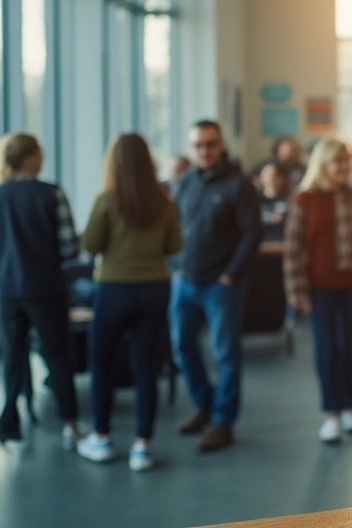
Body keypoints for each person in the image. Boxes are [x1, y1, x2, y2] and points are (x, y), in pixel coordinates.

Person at [76, 134, 183, 471]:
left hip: (114, 289)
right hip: (154, 288)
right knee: (146, 367)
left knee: (101, 362)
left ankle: (102, 437)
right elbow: (175, 246)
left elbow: (90, 244)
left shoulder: (106, 200)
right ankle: (142, 447)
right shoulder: (164, 202)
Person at [170, 120, 262, 452]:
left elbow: (253, 234)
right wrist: (174, 267)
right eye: (197, 146)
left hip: (221, 285)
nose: (204, 151)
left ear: (221, 144)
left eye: (210, 144)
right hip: (185, 281)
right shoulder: (184, 183)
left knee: (225, 354)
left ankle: (223, 421)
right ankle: (205, 404)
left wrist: (231, 275)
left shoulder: (239, 186)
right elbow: (174, 227)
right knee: (182, 346)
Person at [283, 139, 352, 444]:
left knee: (348, 347)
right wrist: (298, 292)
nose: (343, 167)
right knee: (327, 349)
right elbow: (294, 250)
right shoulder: (304, 200)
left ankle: (348, 407)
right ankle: (331, 413)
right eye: (336, 161)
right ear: (323, 164)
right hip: (319, 289)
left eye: (345, 161)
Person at [0, 133, 83, 447]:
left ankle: (10, 421)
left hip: (7, 289)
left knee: (12, 355)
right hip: (44, 287)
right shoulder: (51, 193)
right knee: (59, 356)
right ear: (31, 157)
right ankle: (70, 423)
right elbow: (69, 247)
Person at [259, 162, 291, 244]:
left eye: (276, 175)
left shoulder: (290, 200)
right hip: (261, 243)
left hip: (282, 242)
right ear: (261, 178)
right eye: (269, 175)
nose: (272, 178)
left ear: (282, 178)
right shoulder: (254, 201)